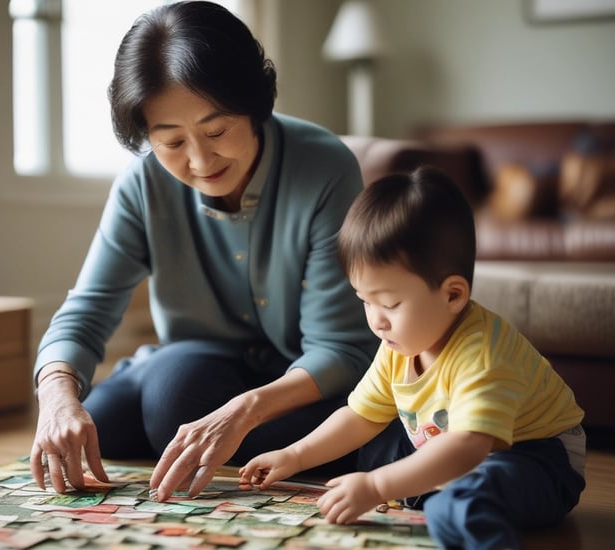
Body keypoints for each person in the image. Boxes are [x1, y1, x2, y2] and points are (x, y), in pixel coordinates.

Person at [29, 0, 381, 500]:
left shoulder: (324, 167)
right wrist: (56, 398)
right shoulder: (141, 184)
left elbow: (341, 348)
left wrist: (240, 413)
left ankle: (354, 433)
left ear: (253, 105)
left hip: (300, 376)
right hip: (199, 361)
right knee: (97, 425)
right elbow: (86, 311)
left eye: (216, 131)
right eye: (172, 142)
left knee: (173, 406)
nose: (199, 160)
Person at [238, 166, 586, 549]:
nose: (377, 321)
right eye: (365, 301)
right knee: (375, 449)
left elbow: (469, 446)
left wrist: (377, 486)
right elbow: (361, 416)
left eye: (390, 304)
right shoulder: (398, 345)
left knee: (456, 503)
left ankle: (454, 510)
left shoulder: (483, 353)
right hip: (456, 446)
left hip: (536, 458)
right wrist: (294, 455)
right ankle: (430, 491)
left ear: (453, 295)